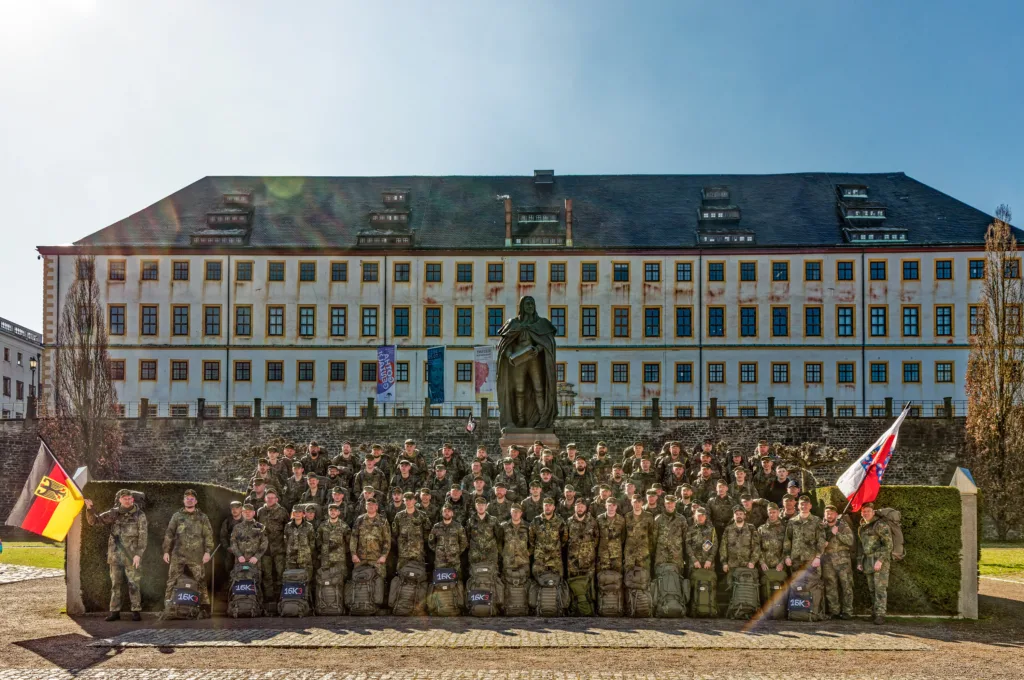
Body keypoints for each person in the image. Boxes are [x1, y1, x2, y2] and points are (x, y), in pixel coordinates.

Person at [84, 489, 147, 621]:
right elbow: (94, 521)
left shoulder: (140, 515)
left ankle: (135, 610)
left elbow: (143, 537)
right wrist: (89, 508)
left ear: (133, 499)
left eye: (129, 498)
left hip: (131, 557)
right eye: (125, 498)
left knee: (134, 584)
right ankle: (114, 611)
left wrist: (138, 554)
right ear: (120, 500)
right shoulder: (113, 513)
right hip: (115, 556)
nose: (127, 500)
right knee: (115, 584)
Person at [162, 489, 214, 610]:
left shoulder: (202, 517)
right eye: (187, 498)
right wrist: (166, 551)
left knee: (201, 581)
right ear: (183, 500)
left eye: (191, 499)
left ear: (195, 501)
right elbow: (169, 534)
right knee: (171, 581)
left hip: (196, 555)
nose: (189, 501)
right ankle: (168, 607)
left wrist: (207, 552)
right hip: (178, 554)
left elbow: (208, 535)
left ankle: (205, 607)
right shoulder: (177, 516)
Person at [857, 502, 894, 624]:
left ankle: (880, 615)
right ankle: (874, 612)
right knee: (872, 589)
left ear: (873, 512)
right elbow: (861, 546)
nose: (866, 513)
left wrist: (880, 561)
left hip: (879, 561)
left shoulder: (880, 525)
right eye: (864, 511)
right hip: (867, 561)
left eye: (868, 511)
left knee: (880, 588)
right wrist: (859, 561)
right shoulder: (862, 526)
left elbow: (888, 545)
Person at [822, 504, 855, 620]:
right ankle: (834, 611)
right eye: (827, 513)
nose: (829, 515)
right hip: (827, 561)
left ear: (836, 515)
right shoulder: (822, 527)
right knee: (831, 586)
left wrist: (838, 534)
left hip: (843, 561)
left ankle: (847, 611)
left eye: (831, 513)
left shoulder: (843, 526)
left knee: (846, 586)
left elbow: (850, 541)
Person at [257, 488, 289, 606]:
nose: (270, 500)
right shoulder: (260, 511)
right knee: (267, 575)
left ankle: (282, 597)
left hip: (279, 548)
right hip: (265, 549)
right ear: (265, 498)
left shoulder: (282, 511)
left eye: (272, 498)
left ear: (276, 499)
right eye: (268, 497)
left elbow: (288, 527)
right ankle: (269, 599)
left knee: (281, 574)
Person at [230, 503, 268, 598]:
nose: (247, 513)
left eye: (249, 512)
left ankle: (256, 606)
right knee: (239, 583)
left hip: (255, 562)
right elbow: (233, 543)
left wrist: (256, 557)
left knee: (256, 584)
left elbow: (264, 543)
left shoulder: (260, 527)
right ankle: (238, 605)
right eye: (245, 512)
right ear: (242, 513)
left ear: (254, 513)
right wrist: (239, 555)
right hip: (240, 562)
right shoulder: (237, 527)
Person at [350, 496, 391, 579]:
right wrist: (353, 554)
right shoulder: (360, 519)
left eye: (373, 505)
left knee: (380, 580)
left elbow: (387, 540)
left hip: (377, 558)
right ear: (365, 507)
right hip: (361, 558)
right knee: (358, 580)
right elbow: (354, 538)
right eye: (368, 505)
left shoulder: (383, 520)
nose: (370, 506)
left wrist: (384, 556)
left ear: (376, 507)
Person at [784, 495, 825, 577]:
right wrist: (787, 556)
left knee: (813, 586)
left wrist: (818, 557)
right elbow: (787, 540)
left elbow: (821, 540)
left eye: (806, 504)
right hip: (796, 560)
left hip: (811, 560)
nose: (804, 506)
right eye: (802, 504)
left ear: (810, 506)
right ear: (798, 506)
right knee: (798, 587)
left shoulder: (817, 521)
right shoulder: (792, 521)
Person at [530, 497, 567, 577]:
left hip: (555, 557)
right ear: (542, 506)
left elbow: (564, 537)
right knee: (538, 579)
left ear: (553, 507)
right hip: (540, 557)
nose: (547, 507)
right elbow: (531, 537)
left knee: (557, 580)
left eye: (550, 505)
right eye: (545, 505)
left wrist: (557, 547)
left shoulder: (559, 521)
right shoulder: (536, 521)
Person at [392, 492, 429, 570]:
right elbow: (395, 533)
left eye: (410, 500)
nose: (408, 502)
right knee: (401, 572)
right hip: (403, 550)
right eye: (406, 500)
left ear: (415, 501)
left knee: (419, 572)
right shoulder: (399, 516)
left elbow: (427, 533)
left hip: (418, 550)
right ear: (403, 501)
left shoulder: (422, 515)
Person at [720, 506, 761, 576]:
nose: (739, 516)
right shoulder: (728, 529)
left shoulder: (751, 528)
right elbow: (723, 547)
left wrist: (753, 561)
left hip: (747, 565)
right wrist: (724, 563)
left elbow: (756, 546)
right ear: (733, 516)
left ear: (744, 516)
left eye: (741, 514)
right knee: (731, 585)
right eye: (737, 514)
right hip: (732, 565)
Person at [565, 497, 599, 580]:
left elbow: (596, 537)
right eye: (578, 506)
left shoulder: (592, 521)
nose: (580, 509)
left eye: (582, 507)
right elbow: (565, 538)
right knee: (573, 581)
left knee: (588, 582)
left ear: (586, 508)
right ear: (575, 507)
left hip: (588, 558)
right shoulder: (569, 521)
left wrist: (589, 548)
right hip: (573, 558)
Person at [429, 502, 468, 573]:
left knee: (455, 581)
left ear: (452, 513)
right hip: (440, 561)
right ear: (442, 513)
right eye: (445, 511)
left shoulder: (458, 527)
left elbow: (464, 542)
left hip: (454, 560)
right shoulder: (436, 526)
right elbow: (431, 542)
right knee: (440, 581)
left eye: (449, 511)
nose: (447, 513)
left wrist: (456, 552)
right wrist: (438, 551)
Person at [466, 496, 503, 568]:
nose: (480, 507)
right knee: (475, 574)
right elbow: (467, 536)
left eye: (482, 505)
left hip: (490, 553)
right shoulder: (470, 521)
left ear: (486, 507)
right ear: (475, 507)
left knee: (492, 574)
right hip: (475, 553)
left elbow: (499, 536)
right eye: (478, 505)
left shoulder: (493, 520)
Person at [623, 494, 656, 574]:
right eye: (635, 502)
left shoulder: (648, 516)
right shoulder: (627, 516)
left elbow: (651, 534)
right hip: (630, 551)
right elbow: (623, 535)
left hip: (644, 551)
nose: (637, 504)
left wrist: (650, 548)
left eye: (639, 502)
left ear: (642, 503)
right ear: (631, 503)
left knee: (644, 574)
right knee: (629, 574)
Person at [653, 495, 687, 573]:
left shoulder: (681, 519)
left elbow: (685, 536)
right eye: (668, 503)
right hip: (661, 552)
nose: (670, 505)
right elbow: (654, 537)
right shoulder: (658, 519)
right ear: (665, 504)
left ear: (675, 504)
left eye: (672, 503)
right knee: (660, 573)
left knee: (677, 573)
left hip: (676, 552)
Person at [318, 502, 351, 579]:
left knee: (341, 578)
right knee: (326, 578)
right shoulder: (322, 525)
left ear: (338, 512)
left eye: (335, 510)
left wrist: (341, 550)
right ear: (328, 512)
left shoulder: (344, 526)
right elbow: (318, 540)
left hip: (339, 558)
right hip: (326, 558)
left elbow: (349, 541)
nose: (333, 512)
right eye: (331, 510)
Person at [284, 505, 316, 584]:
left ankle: (306, 596)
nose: (297, 514)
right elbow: (285, 540)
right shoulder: (288, 526)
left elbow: (312, 542)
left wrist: (307, 552)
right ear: (293, 514)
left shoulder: (309, 526)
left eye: (299, 512)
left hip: (305, 559)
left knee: (306, 581)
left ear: (303, 514)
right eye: (295, 512)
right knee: (291, 580)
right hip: (291, 559)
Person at [499, 503, 532, 575]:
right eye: (513, 511)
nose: (515, 514)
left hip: (523, 561)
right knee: (508, 581)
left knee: (524, 582)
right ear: (510, 512)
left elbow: (533, 542)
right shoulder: (504, 526)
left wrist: (529, 552)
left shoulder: (528, 526)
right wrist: (504, 553)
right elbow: (499, 542)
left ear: (521, 513)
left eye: (517, 512)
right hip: (508, 561)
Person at [596, 496, 626, 572]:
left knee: (617, 576)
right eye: (609, 505)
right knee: (603, 576)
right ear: (606, 506)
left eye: (613, 505)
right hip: (603, 553)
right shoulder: (599, 519)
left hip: (616, 553)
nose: (611, 507)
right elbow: (596, 535)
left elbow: (623, 536)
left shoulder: (621, 520)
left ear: (616, 506)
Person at [758, 502, 787, 575]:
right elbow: (756, 547)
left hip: (780, 565)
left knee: (779, 586)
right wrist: (762, 563)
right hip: (765, 565)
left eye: (774, 512)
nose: (772, 514)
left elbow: (787, 548)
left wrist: (782, 563)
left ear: (778, 512)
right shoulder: (761, 529)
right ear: (767, 513)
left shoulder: (784, 528)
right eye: (770, 512)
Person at [686, 507, 718, 573]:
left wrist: (709, 560)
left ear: (705, 517)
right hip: (694, 563)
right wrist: (694, 560)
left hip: (708, 563)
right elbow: (687, 545)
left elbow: (715, 545)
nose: (700, 517)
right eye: (698, 515)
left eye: (702, 515)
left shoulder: (711, 529)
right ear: (695, 516)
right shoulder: (690, 529)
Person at [220, 501, 245, 571]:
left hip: (244, 552)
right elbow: (223, 536)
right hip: (230, 551)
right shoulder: (227, 521)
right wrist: (227, 547)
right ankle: (230, 581)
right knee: (229, 568)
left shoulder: (247, 520)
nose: (234, 510)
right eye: (232, 508)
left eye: (236, 508)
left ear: (241, 509)